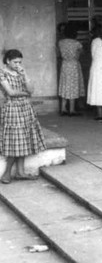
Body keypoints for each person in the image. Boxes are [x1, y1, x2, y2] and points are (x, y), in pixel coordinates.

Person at [0, 50, 47, 184]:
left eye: (20, 62)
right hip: (12, 109)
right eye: (15, 62)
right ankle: (7, 173)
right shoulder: (2, 73)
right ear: (7, 61)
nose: (18, 64)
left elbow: (31, 90)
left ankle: (20, 172)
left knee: (24, 140)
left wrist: (25, 74)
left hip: (25, 109)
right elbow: (10, 92)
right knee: (15, 141)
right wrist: (25, 94)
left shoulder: (20, 73)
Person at [57, 24, 85, 116]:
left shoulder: (61, 42)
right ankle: (72, 110)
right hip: (74, 65)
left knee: (65, 85)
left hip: (65, 65)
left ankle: (63, 108)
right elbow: (81, 53)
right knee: (73, 86)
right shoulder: (77, 43)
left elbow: (58, 54)